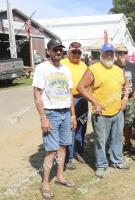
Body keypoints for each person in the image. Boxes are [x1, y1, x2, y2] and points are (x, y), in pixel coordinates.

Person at [77, 43, 130, 178]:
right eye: (106, 53)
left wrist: (125, 98)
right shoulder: (93, 69)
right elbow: (81, 87)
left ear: (114, 55)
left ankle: (117, 161)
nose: (109, 55)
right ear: (101, 54)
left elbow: (127, 84)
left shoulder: (118, 70)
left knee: (118, 138)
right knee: (100, 140)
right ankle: (101, 165)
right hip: (100, 113)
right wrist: (95, 102)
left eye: (111, 53)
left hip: (117, 111)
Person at [32, 39, 77, 199]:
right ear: (48, 51)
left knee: (63, 146)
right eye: (55, 49)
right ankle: (45, 183)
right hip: (50, 114)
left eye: (60, 49)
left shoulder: (65, 69)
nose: (58, 52)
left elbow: (70, 93)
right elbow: (37, 94)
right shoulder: (41, 68)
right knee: (51, 150)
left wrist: (73, 114)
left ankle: (59, 177)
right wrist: (43, 117)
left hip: (65, 113)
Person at [61, 42, 88, 170]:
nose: (76, 54)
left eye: (79, 52)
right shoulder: (63, 64)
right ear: (69, 52)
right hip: (69, 100)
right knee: (71, 128)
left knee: (82, 126)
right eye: (74, 52)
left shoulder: (83, 65)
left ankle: (79, 152)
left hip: (83, 100)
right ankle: (69, 158)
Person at [114, 44, 135, 152]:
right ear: (115, 54)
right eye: (119, 52)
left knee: (128, 123)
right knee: (116, 123)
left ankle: (127, 143)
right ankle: (115, 145)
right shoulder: (111, 67)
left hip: (130, 99)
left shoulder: (133, 66)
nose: (122, 55)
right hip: (115, 100)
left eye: (124, 52)